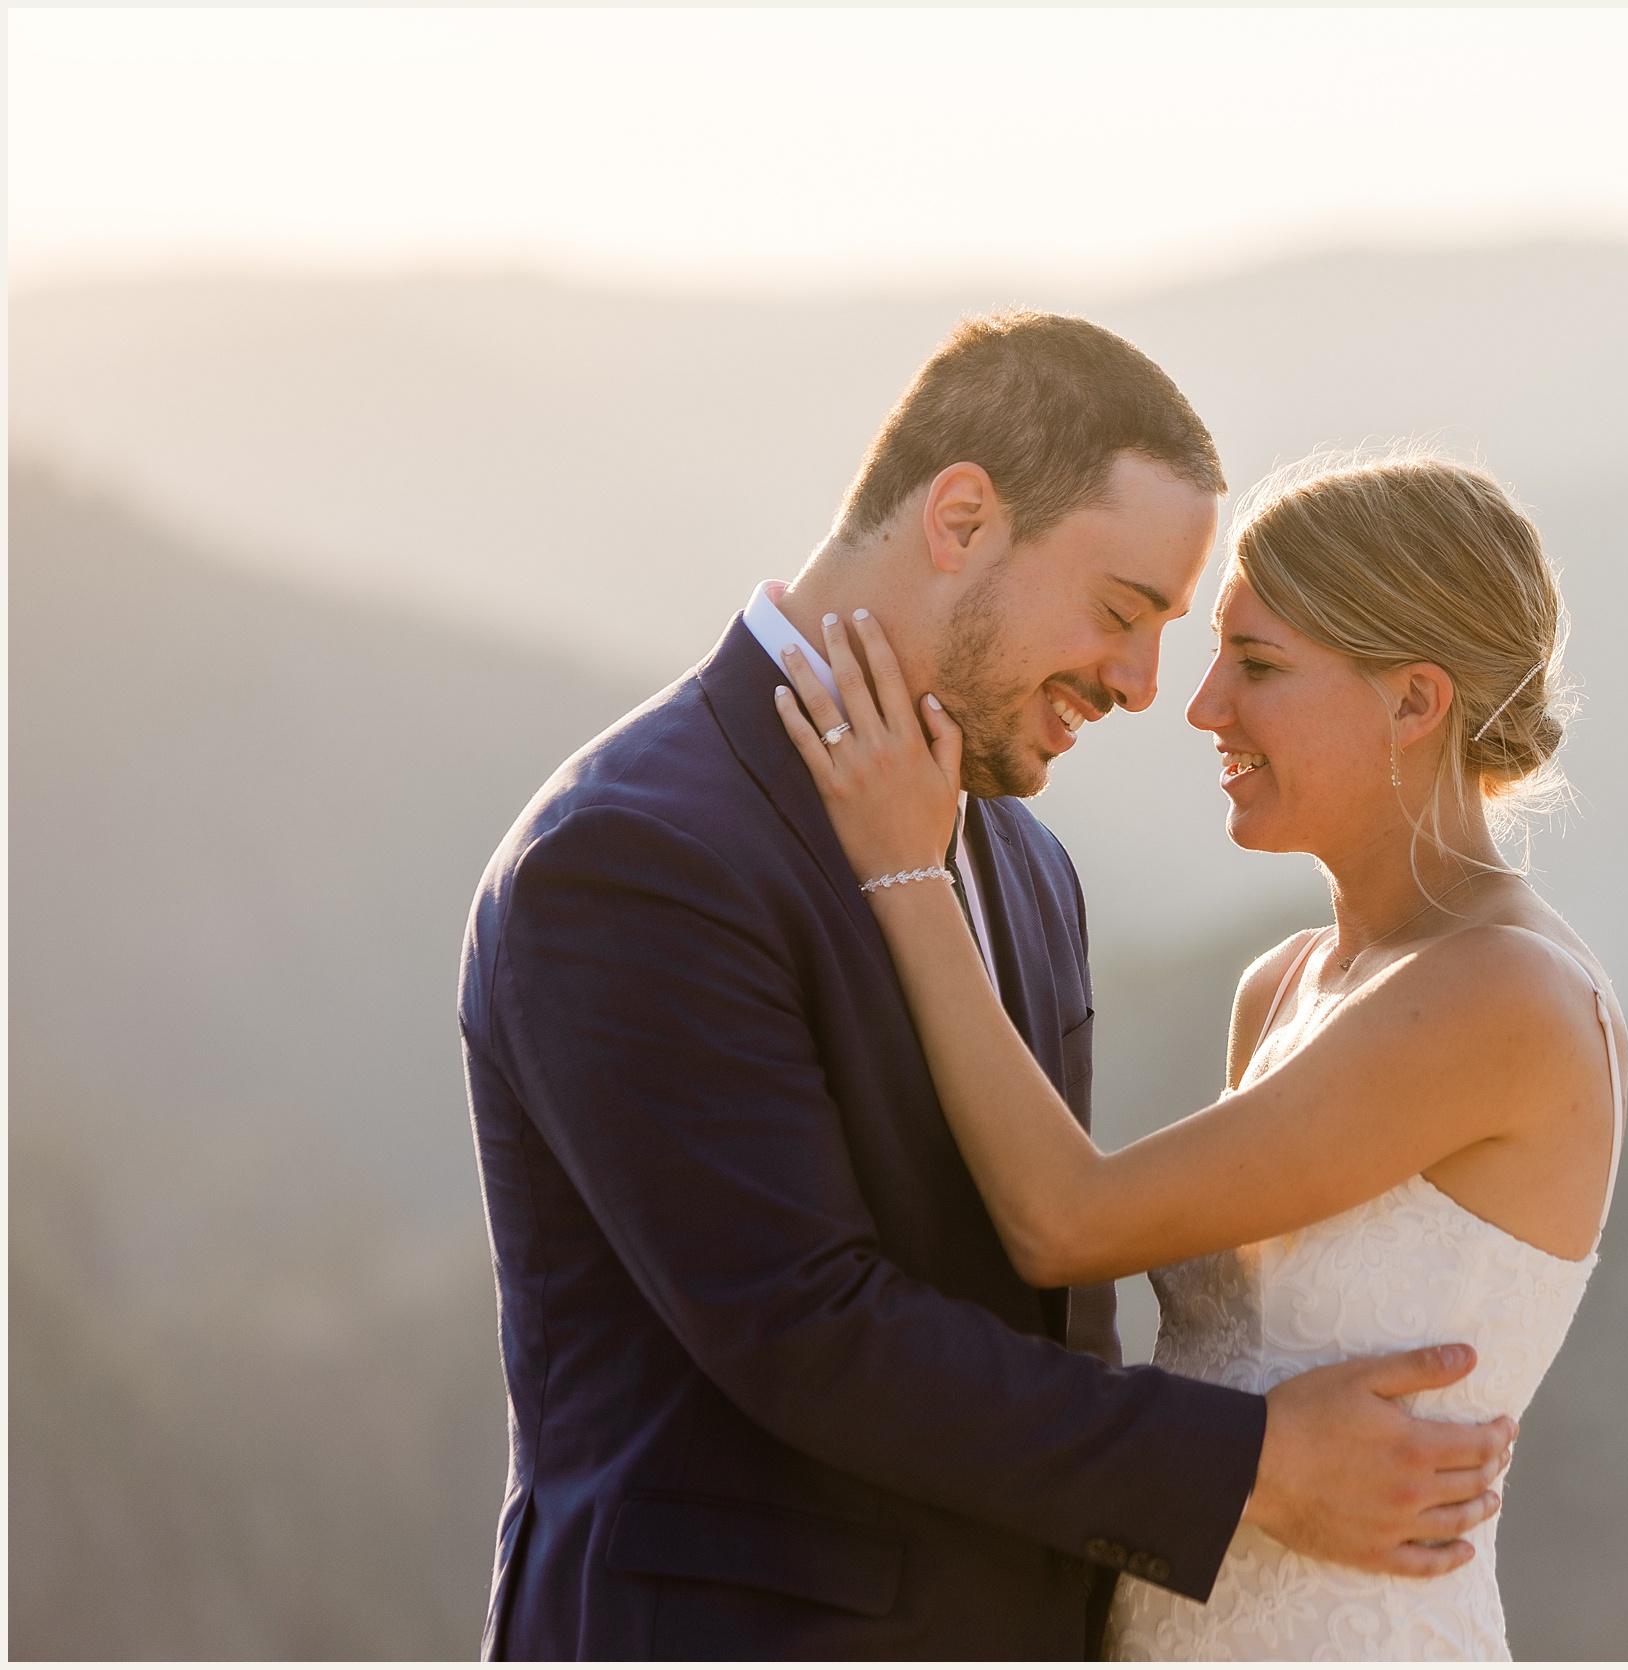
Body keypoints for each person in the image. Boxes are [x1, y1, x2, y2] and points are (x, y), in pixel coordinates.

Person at [458, 316, 1516, 1660]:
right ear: (961, 517)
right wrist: (1251, 1463)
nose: (1143, 685)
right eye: (1123, 611)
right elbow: (804, 1331)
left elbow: (1046, 1297)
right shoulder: (634, 852)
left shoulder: (1025, 859)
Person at [772, 450, 1626, 1659]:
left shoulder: (1505, 995)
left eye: (1259, 664)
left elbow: (1068, 1219)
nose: (1203, 703)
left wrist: (908, 872)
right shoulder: (1280, 985)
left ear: (1413, 701)